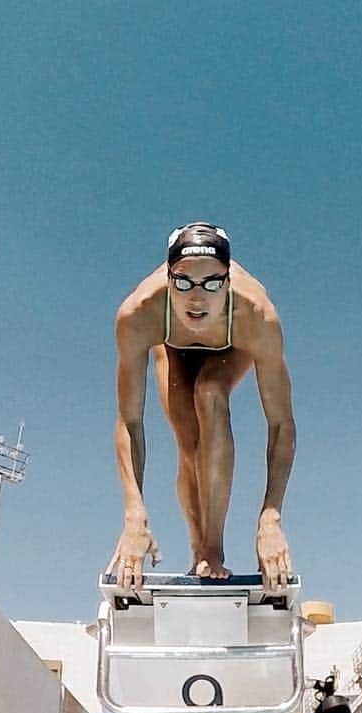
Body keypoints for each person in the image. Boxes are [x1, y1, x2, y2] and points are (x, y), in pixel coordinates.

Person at [109, 222, 296, 593]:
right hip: (171, 345)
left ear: (227, 282)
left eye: (211, 283)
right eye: (183, 283)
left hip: (231, 346)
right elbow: (130, 420)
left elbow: (280, 424)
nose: (197, 298)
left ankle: (214, 549)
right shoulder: (140, 314)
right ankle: (199, 548)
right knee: (188, 440)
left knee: (210, 392)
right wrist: (133, 515)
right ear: (168, 277)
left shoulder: (257, 317)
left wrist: (270, 518)